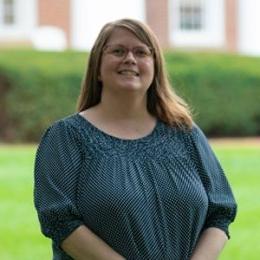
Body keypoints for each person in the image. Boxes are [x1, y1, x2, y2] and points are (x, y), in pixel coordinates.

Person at [34, 18, 237, 260]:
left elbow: (220, 212)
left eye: (141, 52)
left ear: (155, 67)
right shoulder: (66, 137)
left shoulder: (185, 134)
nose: (130, 58)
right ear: (97, 67)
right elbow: (58, 220)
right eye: (118, 51)